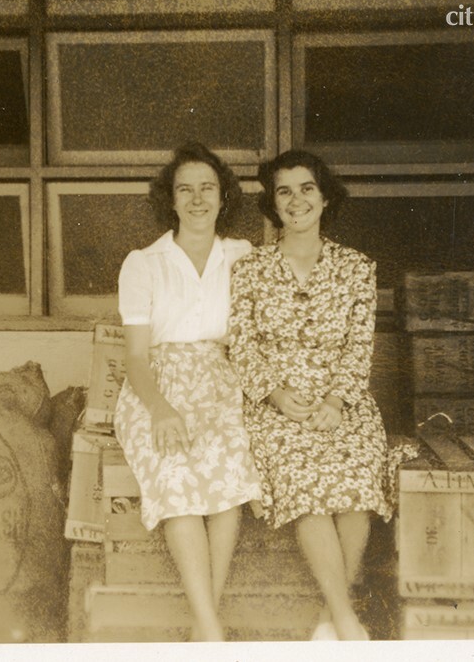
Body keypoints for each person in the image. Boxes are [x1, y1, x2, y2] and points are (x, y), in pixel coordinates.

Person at [228, 149, 417, 641]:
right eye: (284, 191)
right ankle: (347, 620)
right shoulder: (251, 269)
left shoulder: (356, 268)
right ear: (273, 203)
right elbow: (243, 345)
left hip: (342, 404)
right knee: (307, 483)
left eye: (306, 187)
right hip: (276, 408)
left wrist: (336, 402)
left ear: (325, 195)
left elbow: (360, 346)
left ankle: (331, 619)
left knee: (356, 484)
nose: (296, 200)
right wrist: (273, 395)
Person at [112, 142, 264, 642]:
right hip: (156, 382)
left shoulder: (243, 257)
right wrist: (159, 410)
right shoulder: (144, 263)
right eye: (185, 189)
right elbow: (135, 357)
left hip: (220, 379)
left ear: (223, 198)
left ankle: (204, 630)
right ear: (170, 200)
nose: (197, 199)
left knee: (227, 480)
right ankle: (213, 634)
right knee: (175, 477)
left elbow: (252, 333)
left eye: (207, 189)